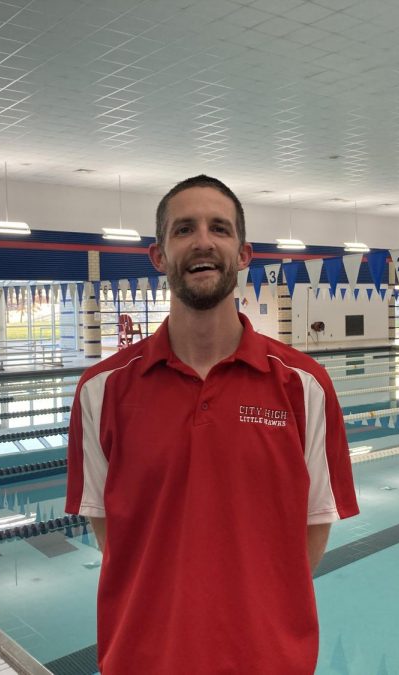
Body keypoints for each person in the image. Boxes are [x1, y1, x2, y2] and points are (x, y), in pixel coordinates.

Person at [65, 175, 359, 674]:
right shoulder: (102, 390)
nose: (203, 241)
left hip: (270, 661)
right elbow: (109, 532)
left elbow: (313, 527)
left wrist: (256, 611)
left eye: (219, 229)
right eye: (184, 230)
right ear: (159, 255)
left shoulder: (304, 386)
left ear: (243, 254)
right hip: (142, 658)